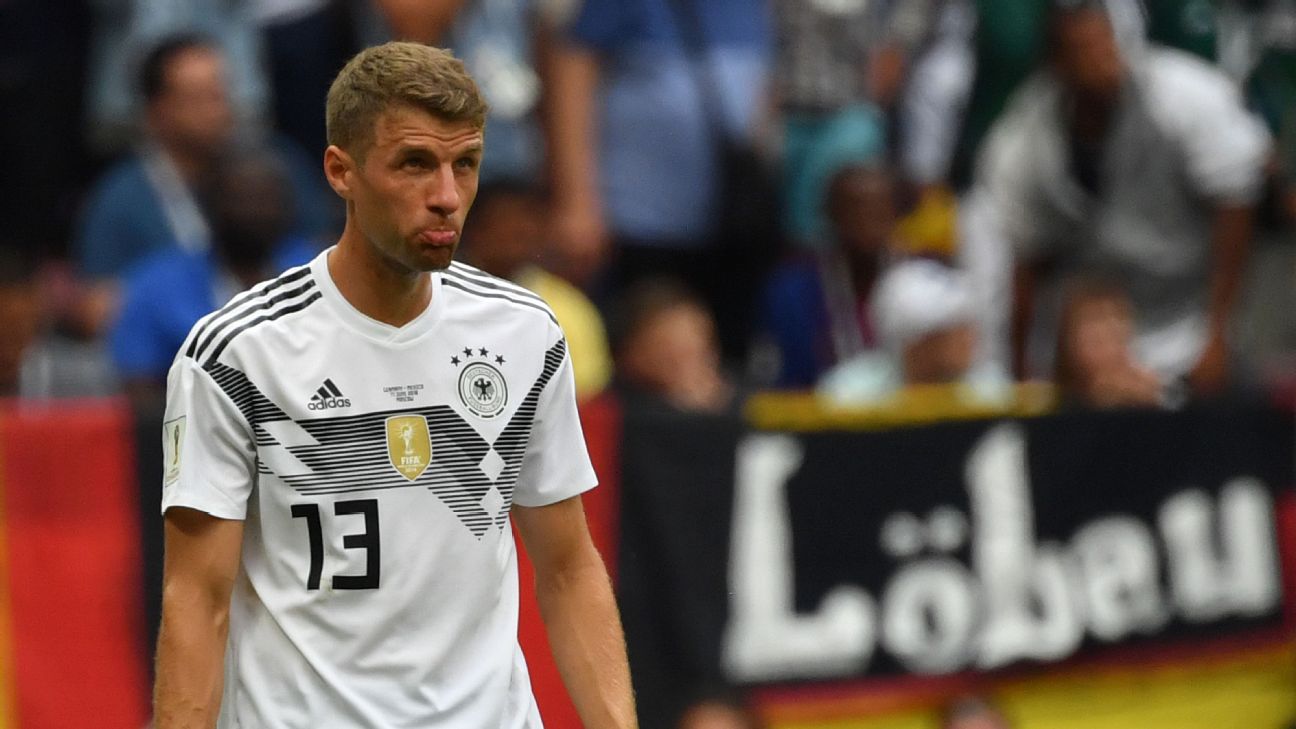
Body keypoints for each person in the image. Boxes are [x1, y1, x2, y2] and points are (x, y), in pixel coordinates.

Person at [153, 42, 636, 728]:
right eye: (415, 164)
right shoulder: (238, 355)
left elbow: (568, 568)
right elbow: (198, 598)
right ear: (340, 171)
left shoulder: (524, 334)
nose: (445, 197)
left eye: (464, 165)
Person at [972, 0, 1270, 395]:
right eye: (1083, 50)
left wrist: (1218, 331)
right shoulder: (1025, 136)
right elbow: (1025, 262)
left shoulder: (1186, 94)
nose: (1100, 60)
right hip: (1099, 328)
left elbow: (1238, 199)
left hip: (1191, 304)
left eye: (1105, 43)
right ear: (1056, 63)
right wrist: (1022, 377)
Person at [75, 34, 331, 282]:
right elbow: (96, 302)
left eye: (219, 93)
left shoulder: (273, 166)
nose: (216, 110)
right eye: (198, 98)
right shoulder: (120, 198)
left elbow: (327, 253)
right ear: (157, 111)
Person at [109, 146, 318, 400]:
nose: (258, 211)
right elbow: (138, 390)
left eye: (269, 199)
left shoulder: (316, 275)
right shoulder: (156, 285)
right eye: (244, 198)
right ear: (210, 205)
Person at [460, 180, 612, 399]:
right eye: (504, 223)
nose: (515, 234)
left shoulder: (570, 307)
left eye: (523, 225)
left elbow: (587, 396)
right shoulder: (433, 292)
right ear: (473, 229)